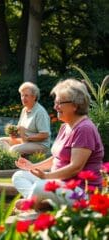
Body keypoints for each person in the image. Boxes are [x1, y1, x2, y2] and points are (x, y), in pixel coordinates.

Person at [12, 79, 104, 210]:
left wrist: (47, 177)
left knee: (40, 186)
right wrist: (33, 167)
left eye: (60, 103)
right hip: (60, 185)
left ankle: (32, 204)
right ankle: (43, 204)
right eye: (56, 103)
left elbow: (75, 167)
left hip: (81, 193)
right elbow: (57, 158)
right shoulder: (65, 127)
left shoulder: (84, 129)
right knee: (19, 175)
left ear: (75, 105)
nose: (55, 107)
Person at [0, 82, 51, 155]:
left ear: (34, 97)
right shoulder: (24, 110)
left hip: (40, 145)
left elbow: (45, 135)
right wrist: (14, 132)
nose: (23, 98)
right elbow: (20, 129)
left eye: (26, 96)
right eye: (22, 95)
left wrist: (28, 138)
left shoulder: (40, 112)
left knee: (14, 149)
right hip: (25, 142)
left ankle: (11, 159)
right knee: (1, 141)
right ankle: (12, 158)